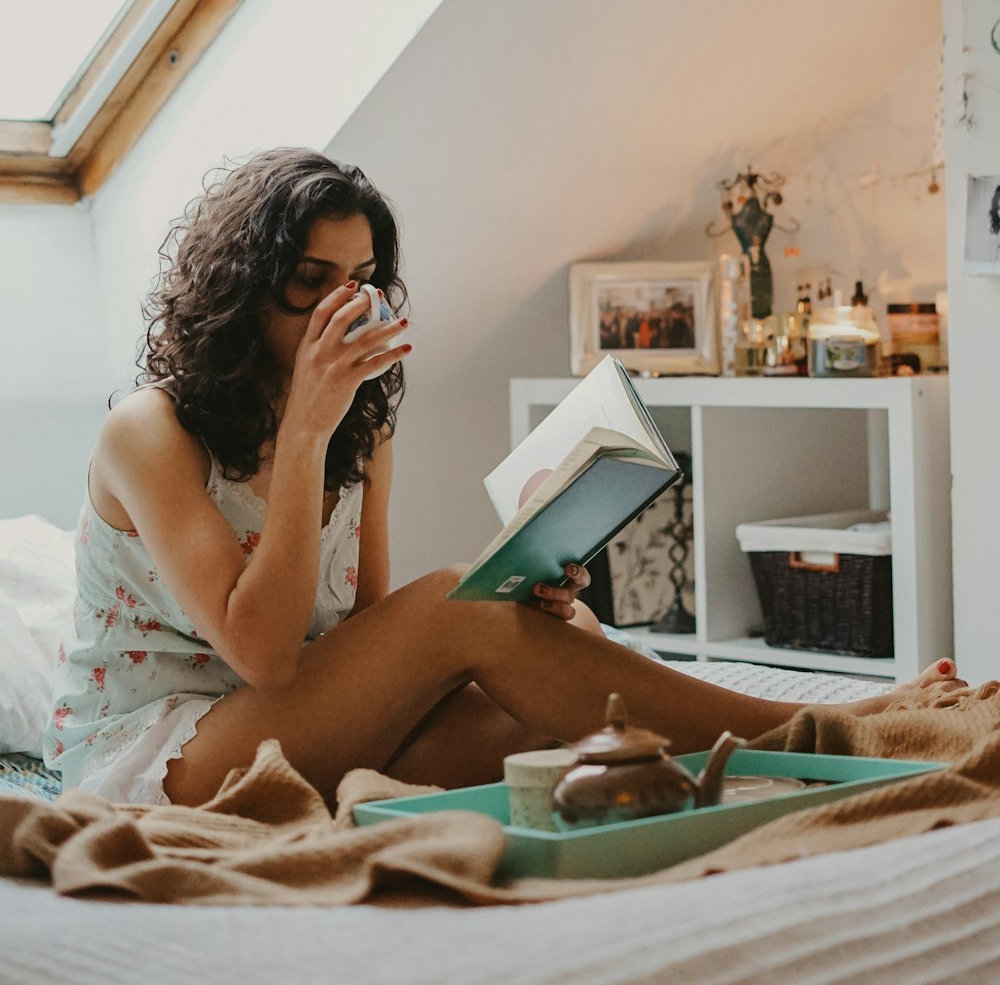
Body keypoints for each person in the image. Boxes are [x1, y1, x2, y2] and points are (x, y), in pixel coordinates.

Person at [42, 149, 965, 810]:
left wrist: (524, 599)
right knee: (457, 602)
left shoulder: (362, 425)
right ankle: (815, 730)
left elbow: (357, 643)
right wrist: (303, 436)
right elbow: (267, 656)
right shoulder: (151, 432)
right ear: (241, 287)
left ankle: (773, 748)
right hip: (167, 750)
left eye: (360, 279)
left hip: (289, 723)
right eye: (310, 278)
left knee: (556, 697)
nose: (342, 305)